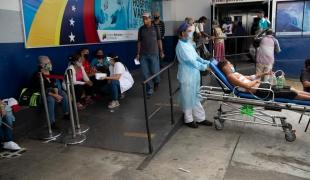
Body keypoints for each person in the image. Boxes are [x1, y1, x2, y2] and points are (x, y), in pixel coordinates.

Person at [175, 22, 213, 128]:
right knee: (187, 97)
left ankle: (200, 118)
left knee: (196, 96)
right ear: (183, 33)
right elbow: (191, 61)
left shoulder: (188, 43)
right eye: (189, 31)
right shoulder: (181, 46)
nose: (191, 33)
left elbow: (196, 57)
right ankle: (188, 119)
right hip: (186, 75)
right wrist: (204, 67)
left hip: (194, 74)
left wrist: (206, 62)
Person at [218, 60, 310, 100]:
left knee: (290, 88)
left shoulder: (235, 74)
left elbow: (251, 77)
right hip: (261, 91)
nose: (231, 65)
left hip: (264, 87)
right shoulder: (230, 76)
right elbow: (247, 86)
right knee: (291, 93)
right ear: (226, 66)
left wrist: (265, 74)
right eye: (230, 64)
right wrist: (257, 81)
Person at [32, 56, 69, 129]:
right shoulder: (37, 75)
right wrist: (54, 95)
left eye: (50, 62)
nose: (50, 64)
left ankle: (66, 113)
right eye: (48, 63)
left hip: (52, 91)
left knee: (63, 94)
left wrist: (57, 94)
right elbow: (40, 89)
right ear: (41, 65)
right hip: (42, 93)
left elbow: (54, 84)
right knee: (50, 99)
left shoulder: (51, 72)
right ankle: (52, 123)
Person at [136, 12, 164, 97]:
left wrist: (161, 51)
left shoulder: (155, 28)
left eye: (146, 18)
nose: (144, 20)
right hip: (143, 55)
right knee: (145, 73)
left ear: (150, 18)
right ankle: (150, 89)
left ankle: (156, 81)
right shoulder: (141, 29)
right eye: (143, 19)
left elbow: (159, 40)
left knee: (155, 71)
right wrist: (138, 53)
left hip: (154, 53)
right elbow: (139, 42)